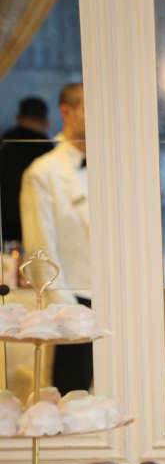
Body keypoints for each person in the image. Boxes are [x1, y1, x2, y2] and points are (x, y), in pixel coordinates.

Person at [20, 83, 92, 392]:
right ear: (67, 112)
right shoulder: (43, 172)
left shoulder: (116, 168)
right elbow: (40, 252)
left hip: (120, 302)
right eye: (91, 108)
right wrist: (67, 314)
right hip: (75, 303)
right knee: (69, 406)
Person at [0, 97, 54, 244]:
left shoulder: (6, 141)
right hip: (35, 218)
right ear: (45, 121)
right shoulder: (44, 145)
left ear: (18, 117)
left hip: (5, 219)